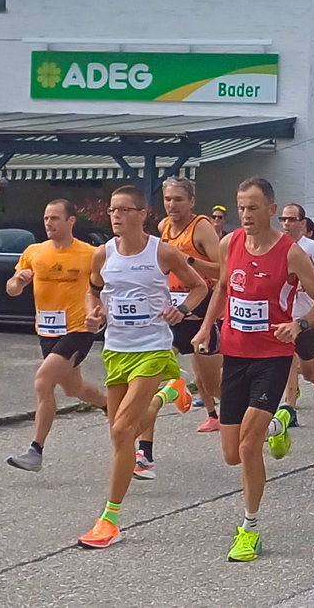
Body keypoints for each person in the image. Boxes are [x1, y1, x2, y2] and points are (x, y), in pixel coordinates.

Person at [191, 177, 314, 562]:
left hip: (272, 357)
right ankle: (276, 425)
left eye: (253, 207)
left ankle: (249, 528)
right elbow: (223, 288)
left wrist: (300, 325)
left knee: (247, 446)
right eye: (241, 207)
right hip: (235, 356)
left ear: (271, 209)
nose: (246, 214)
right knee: (231, 454)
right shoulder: (229, 243)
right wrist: (206, 327)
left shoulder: (291, 254)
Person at [77, 186, 208, 549]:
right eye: (112, 210)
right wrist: (93, 313)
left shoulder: (161, 252)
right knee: (119, 435)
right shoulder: (103, 254)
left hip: (152, 347)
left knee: (122, 430)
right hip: (116, 349)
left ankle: (109, 520)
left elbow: (198, 287)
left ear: (142, 213)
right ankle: (170, 391)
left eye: (123, 210)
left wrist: (181, 310)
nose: (115, 216)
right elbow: (92, 291)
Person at [5, 200, 108, 472]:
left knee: (43, 381)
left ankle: (35, 451)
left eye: (54, 218)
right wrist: (18, 282)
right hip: (47, 331)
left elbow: (104, 289)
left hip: (78, 329)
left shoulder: (90, 254)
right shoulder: (34, 252)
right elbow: (11, 289)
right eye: (46, 218)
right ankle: (109, 405)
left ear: (70, 221)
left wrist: (99, 314)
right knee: (73, 388)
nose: (48, 223)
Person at [158, 178, 223, 433]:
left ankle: (246, 413)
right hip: (176, 309)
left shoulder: (201, 228)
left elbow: (223, 270)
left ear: (191, 201)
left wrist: (188, 261)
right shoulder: (163, 226)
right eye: (168, 199)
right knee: (156, 360)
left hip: (203, 309)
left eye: (178, 199)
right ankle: (200, 406)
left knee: (210, 382)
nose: (172, 205)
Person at [279, 204, 314, 427]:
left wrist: (304, 283)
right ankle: (289, 408)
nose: (286, 224)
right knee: (288, 360)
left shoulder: (311, 247)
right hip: (284, 316)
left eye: (291, 219)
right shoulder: (278, 246)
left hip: (306, 315)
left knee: (309, 372)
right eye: (283, 219)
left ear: (302, 223)